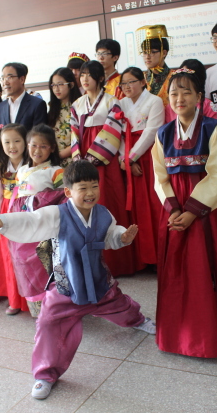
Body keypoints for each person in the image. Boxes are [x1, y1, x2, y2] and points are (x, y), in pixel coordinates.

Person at [0, 160, 156, 400]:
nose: (90, 193)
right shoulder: (57, 214)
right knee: (48, 324)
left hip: (97, 281)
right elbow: (32, 221)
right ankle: (45, 374)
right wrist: (4, 222)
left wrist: (122, 236)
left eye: (94, 186)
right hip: (65, 286)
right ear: (69, 192)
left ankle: (139, 320)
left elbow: (111, 233)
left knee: (120, 304)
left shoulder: (103, 214)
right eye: (83, 188)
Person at [151, 68, 217, 357]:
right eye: (173, 93)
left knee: (212, 270)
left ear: (199, 97)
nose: (179, 98)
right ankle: (180, 335)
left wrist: (192, 211)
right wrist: (174, 209)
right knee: (178, 274)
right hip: (176, 212)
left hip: (209, 212)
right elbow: (159, 177)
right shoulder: (163, 134)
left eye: (186, 92)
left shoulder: (212, 128)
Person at [70, 60, 140, 276]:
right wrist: (78, 161)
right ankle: (89, 263)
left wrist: (91, 160)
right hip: (83, 160)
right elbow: (74, 134)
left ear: (101, 78)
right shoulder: (77, 104)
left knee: (107, 204)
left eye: (90, 75)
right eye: (82, 75)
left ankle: (116, 262)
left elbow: (112, 131)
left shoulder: (112, 102)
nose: (85, 79)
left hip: (104, 163)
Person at [7, 125, 66, 316]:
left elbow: (64, 199)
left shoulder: (56, 171)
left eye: (43, 146)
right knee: (24, 263)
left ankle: (53, 306)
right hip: (22, 224)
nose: (37, 150)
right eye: (33, 145)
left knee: (43, 263)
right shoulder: (22, 170)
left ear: (52, 149)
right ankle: (36, 308)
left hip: (43, 226)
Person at [116, 67, 165, 267]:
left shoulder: (155, 101)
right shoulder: (120, 104)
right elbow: (118, 134)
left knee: (154, 206)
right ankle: (142, 259)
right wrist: (124, 159)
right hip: (127, 156)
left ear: (143, 81)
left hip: (148, 156)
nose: (127, 87)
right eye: (124, 84)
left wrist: (131, 158)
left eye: (131, 82)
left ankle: (159, 257)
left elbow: (151, 131)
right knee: (136, 208)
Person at [0, 123, 30, 315]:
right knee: (9, 257)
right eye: (7, 142)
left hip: (27, 211)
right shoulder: (0, 168)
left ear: (25, 142)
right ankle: (14, 299)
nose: (12, 146)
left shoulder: (31, 165)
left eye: (16, 141)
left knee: (28, 256)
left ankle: (33, 299)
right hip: (6, 214)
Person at [0, 62, 48, 147]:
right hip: (7, 159)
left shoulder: (37, 104)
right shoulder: (0, 107)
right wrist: (2, 157)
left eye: (9, 77)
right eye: (3, 78)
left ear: (22, 79)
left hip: (29, 158)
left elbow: (39, 136)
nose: (5, 82)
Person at [47, 67, 82, 167]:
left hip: (75, 160)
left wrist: (60, 155)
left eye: (60, 84)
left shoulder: (79, 107)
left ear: (71, 85)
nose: (56, 89)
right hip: (54, 162)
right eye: (53, 85)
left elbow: (82, 137)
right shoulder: (52, 110)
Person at [137, 25, 175, 107]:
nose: (147, 56)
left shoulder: (175, 77)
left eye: (153, 52)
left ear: (164, 53)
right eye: (144, 52)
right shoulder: (141, 78)